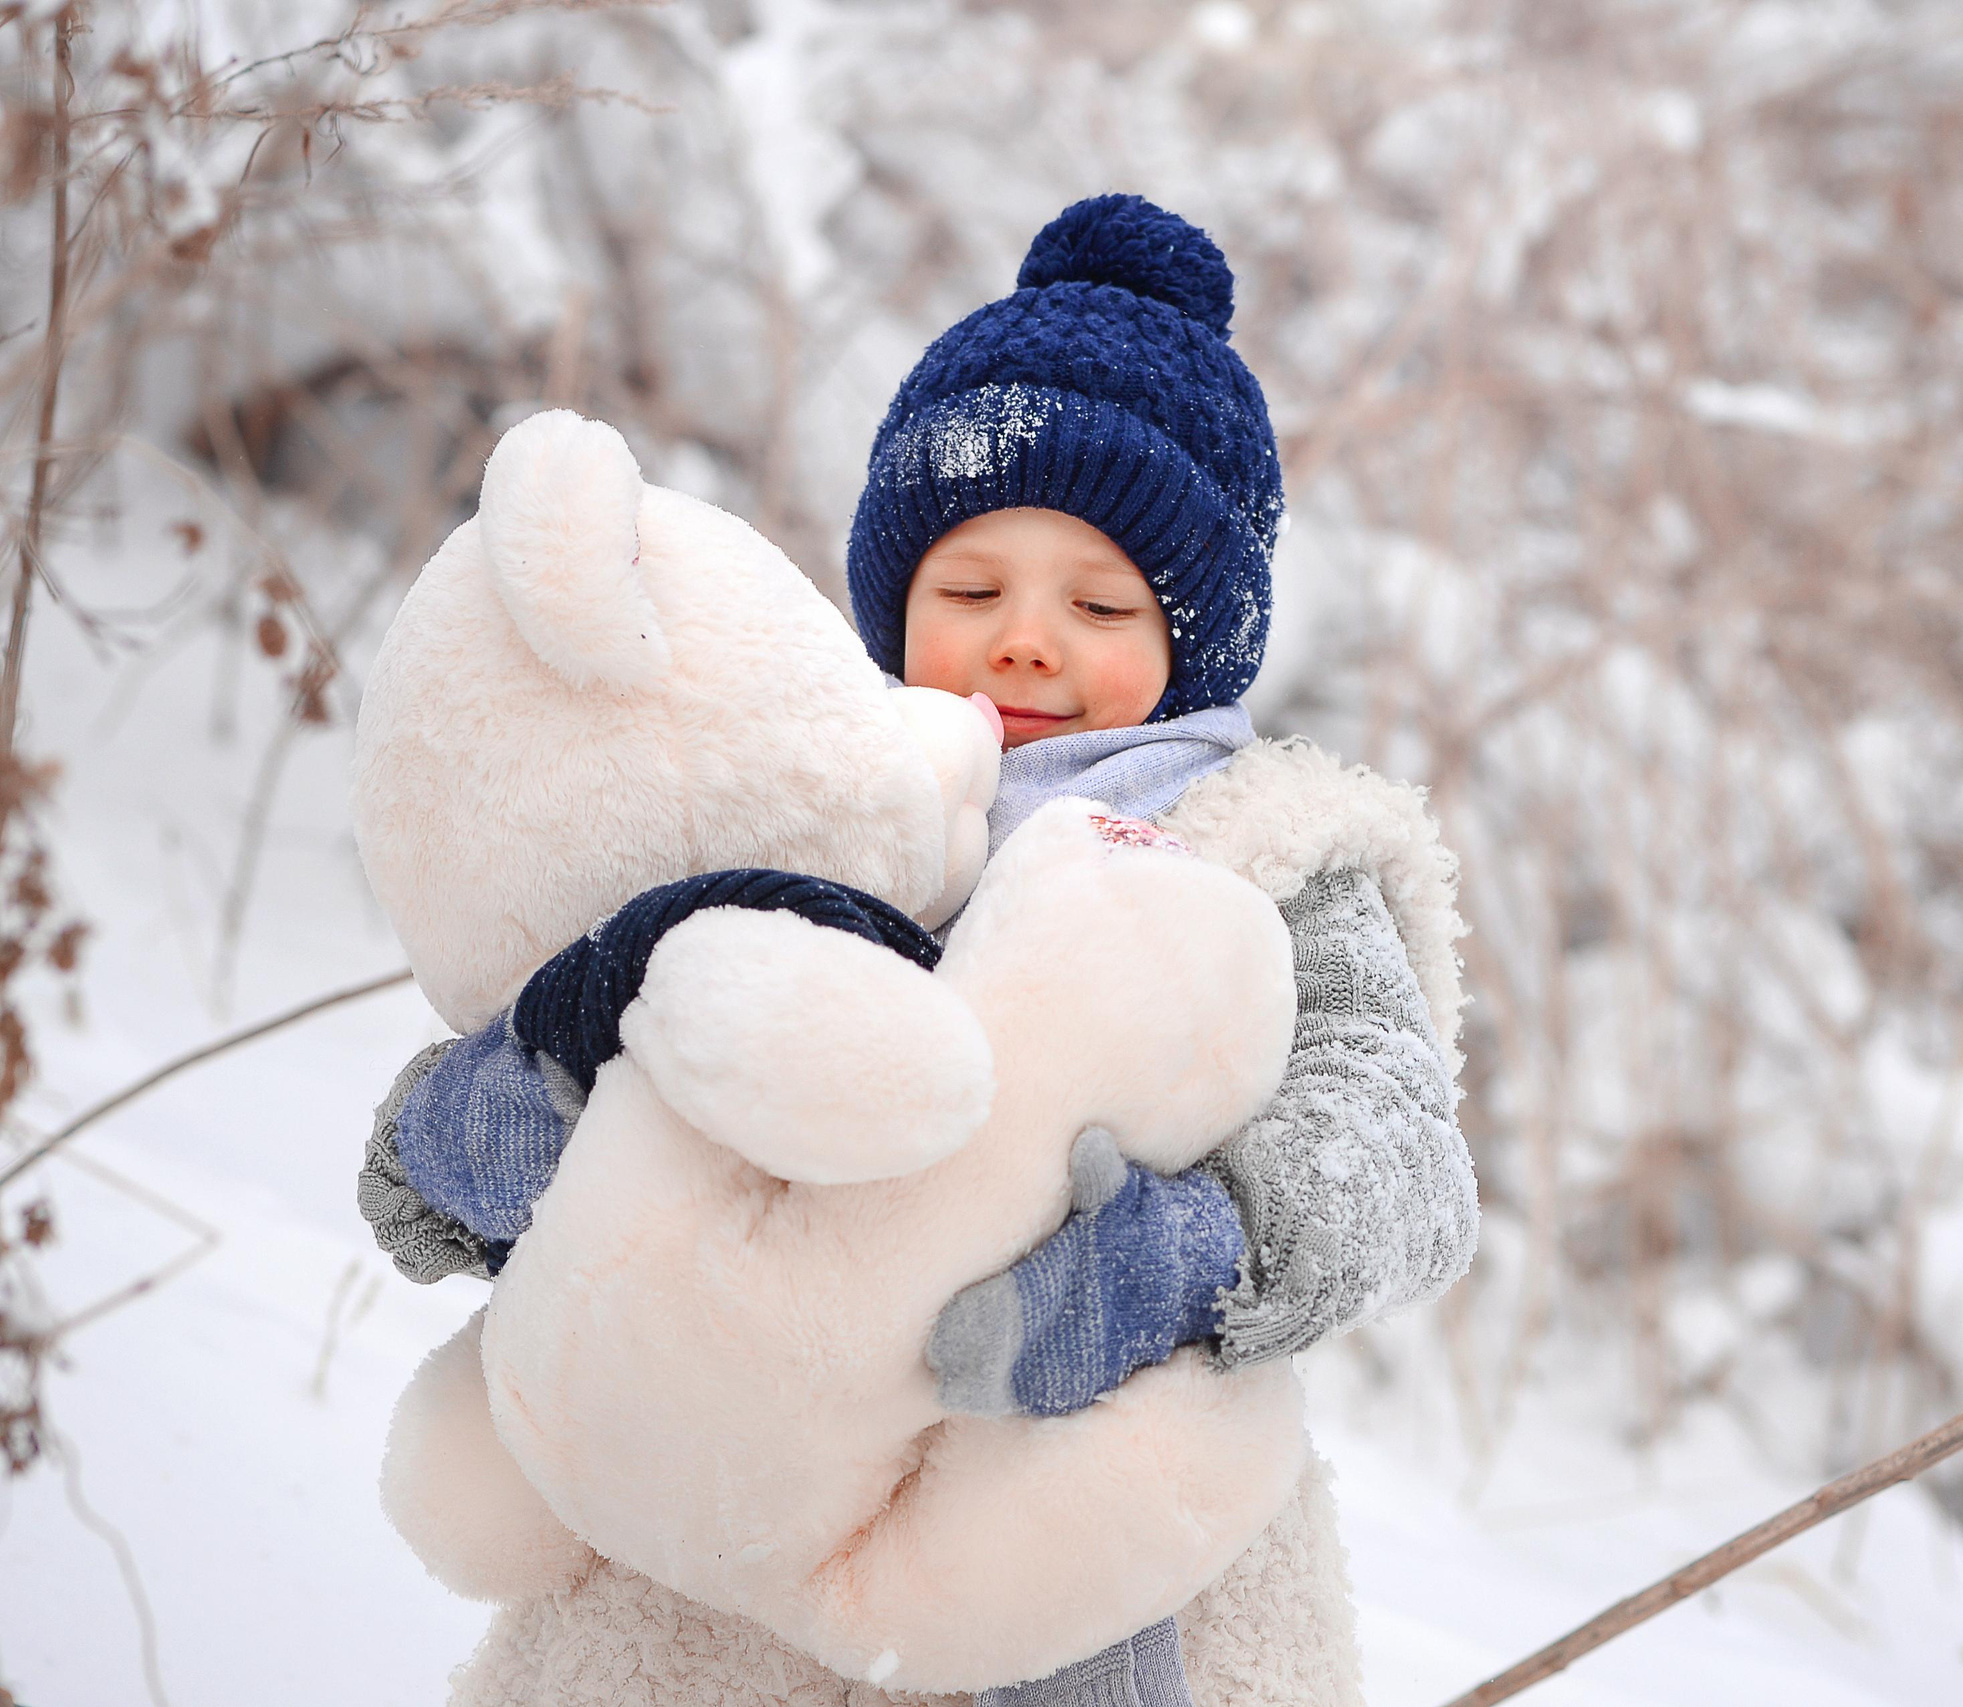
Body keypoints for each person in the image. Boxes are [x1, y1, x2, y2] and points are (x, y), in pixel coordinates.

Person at [361, 193, 1478, 1707]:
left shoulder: (1267, 852)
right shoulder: (800, 798)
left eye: (1098, 601)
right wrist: (506, 1108)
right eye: (971, 590)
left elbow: (1399, 1147)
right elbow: (628, 1022)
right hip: (712, 1572)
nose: (1027, 639)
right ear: (897, 602)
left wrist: (1202, 1250)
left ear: (1194, 633)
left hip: (1081, 1566)